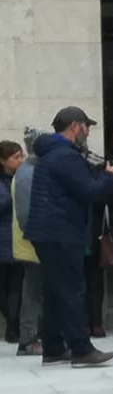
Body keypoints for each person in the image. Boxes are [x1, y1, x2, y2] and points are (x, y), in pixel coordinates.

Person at [24, 107, 113, 366]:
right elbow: (90, 191)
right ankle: (81, 349)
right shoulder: (64, 156)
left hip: (48, 230)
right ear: (75, 127)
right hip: (60, 230)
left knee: (56, 291)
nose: (89, 132)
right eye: (87, 127)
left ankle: (54, 347)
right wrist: (109, 177)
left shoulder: (54, 153)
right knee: (71, 290)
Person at [11, 128, 46, 356]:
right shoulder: (28, 173)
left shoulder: (31, 170)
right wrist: (37, 239)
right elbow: (25, 214)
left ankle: (32, 336)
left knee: (35, 291)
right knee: (33, 292)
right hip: (31, 244)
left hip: (32, 242)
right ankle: (28, 338)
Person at [0, 141, 25, 345]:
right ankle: (11, 322)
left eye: (21, 156)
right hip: (2, 237)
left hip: (17, 238)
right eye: (15, 157)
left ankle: (13, 327)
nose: (20, 160)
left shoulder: (21, 177)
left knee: (16, 286)